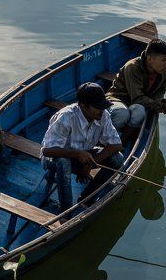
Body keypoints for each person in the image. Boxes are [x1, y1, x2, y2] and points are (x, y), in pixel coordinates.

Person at [41, 82, 124, 214]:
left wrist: (89, 164)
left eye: (103, 106)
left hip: (85, 154)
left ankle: (87, 198)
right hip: (56, 156)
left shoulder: (103, 115)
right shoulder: (66, 117)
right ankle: (66, 210)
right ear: (83, 106)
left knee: (118, 159)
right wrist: (78, 154)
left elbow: (116, 145)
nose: (102, 110)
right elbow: (47, 151)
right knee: (63, 162)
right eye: (98, 107)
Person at [106, 38, 166, 139]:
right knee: (122, 114)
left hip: (138, 104)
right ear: (150, 59)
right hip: (118, 100)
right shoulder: (132, 67)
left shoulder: (163, 69)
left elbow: (161, 90)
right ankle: (103, 137)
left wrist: (161, 103)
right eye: (163, 60)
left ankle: (122, 141)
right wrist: (164, 106)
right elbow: (137, 98)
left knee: (140, 112)